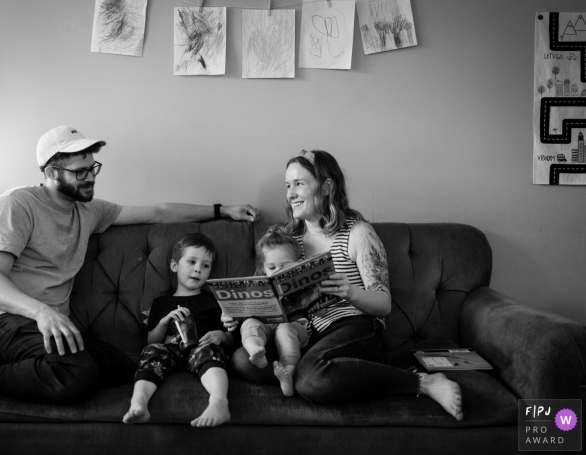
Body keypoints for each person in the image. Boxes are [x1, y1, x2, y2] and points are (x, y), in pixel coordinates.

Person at [0, 125, 259, 423]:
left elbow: (159, 210)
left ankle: (39, 364)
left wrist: (221, 209)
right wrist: (41, 312)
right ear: (51, 172)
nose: (90, 178)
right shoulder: (17, 204)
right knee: (77, 374)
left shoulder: (88, 211)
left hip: (48, 326)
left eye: (93, 168)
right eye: (80, 172)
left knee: (122, 367)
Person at [224, 149, 463, 420]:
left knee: (312, 379)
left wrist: (349, 291)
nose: (290, 194)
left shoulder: (357, 233)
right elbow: (264, 290)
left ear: (326, 186)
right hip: (307, 333)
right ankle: (309, 372)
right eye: (288, 185)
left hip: (355, 327)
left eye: (299, 184)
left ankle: (422, 383)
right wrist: (238, 311)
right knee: (242, 360)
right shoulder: (287, 239)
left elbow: (383, 304)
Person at [123, 233, 233, 428]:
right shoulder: (161, 302)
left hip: (202, 346)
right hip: (169, 349)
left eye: (205, 265)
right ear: (175, 266)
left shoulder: (214, 300)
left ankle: (219, 402)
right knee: (152, 352)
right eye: (191, 262)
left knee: (210, 351)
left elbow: (232, 339)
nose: (198, 269)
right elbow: (151, 340)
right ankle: (139, 401)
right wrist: (165, 321)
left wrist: (221, 335)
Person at [237, 226, 310, 397]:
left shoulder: (303, 284)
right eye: (272, 267)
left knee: (285, 330)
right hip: (266, 329)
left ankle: (288, 376)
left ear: (297, 264)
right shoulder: (257, 286)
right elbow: (244, 313)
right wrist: (232, 315)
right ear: (263, 268)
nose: (278, 272)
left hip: (294, 329)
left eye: (285, 266)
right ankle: (256, 351)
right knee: (250, 323)